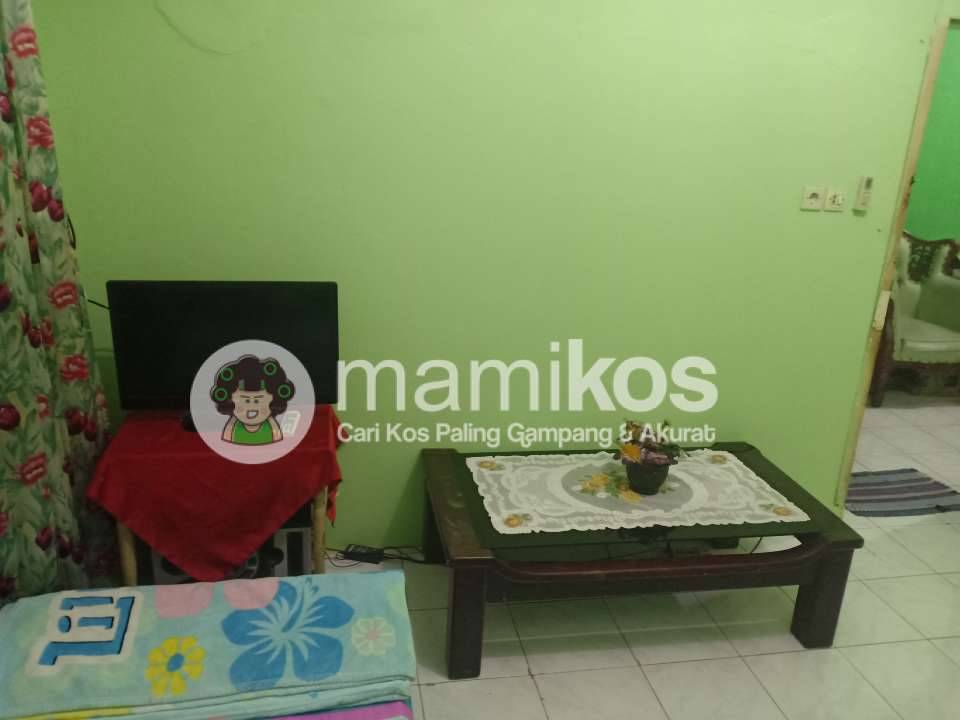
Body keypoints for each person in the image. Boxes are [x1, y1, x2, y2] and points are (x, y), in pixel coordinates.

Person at [210, 355, 295, 445]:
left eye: (257, 401)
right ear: (231, 402)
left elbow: (278, 440)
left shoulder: (271, 425)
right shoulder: (232, 426)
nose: (251, 406)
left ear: (272, 401)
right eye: (245, 400)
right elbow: (226, 441)